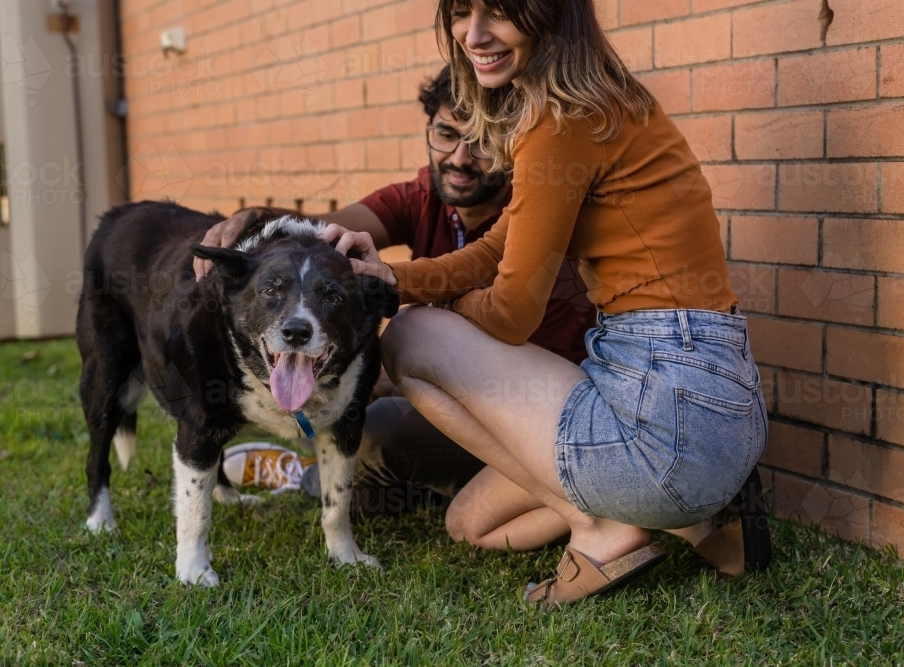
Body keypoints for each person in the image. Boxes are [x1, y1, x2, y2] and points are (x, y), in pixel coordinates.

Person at [321, 0, 771, 606]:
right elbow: (494, 251)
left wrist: (428, 313)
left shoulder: (558, 120)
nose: (473, 35)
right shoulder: (600, 103)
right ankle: (686, 523)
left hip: (665, 416)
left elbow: (510, 313)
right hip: (706, 403)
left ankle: (613, 526)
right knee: (470, 523)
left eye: (500, 11)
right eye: (460, 12)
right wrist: (391, 280)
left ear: (549, 14)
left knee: (408, 338)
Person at [196, 65, 595, 520]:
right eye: (446, 133)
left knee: (370, 435)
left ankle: (298, 474)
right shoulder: (422, 196)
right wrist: (261, 217)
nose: (461, 158)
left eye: (483, 143)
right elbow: (332, 230)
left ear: (514, 147)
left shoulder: (535, 212)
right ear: (429, 128)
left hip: (531, 409)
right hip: (448, 390)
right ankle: (404, 474)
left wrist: (392, 367)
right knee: (335, 400)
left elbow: (519, 344)